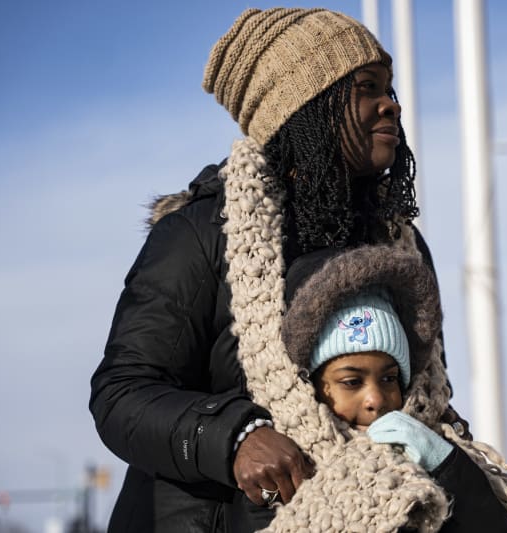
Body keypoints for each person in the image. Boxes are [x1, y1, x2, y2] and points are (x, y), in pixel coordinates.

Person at [89, 7, 483, 533]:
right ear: (305, 106)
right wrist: (234, 437)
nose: (391, 104)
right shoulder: (201, 234)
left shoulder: (402, 249)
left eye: (390, 89)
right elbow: (122, 394)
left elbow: (425, 401)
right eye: (367, 88)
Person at [272, 244, 507, 532]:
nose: (375, 399)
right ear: (312, 386)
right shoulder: (277, 472)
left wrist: (445, 465)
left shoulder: (430, 458)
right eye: (352, 382)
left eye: (389, 379)